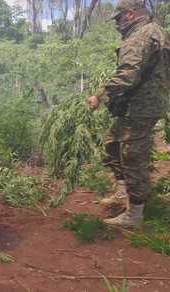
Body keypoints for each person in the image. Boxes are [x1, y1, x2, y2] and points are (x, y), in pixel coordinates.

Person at [87, 0, 170, 226]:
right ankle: (124, 190)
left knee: (133, 155)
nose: (117, 24)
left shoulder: (142, 35)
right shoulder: (151, 31)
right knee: (112, 143)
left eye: (119, 18)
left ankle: (135, 213)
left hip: (142, 107)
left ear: (131, 14)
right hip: (139, 105)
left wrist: (100, 95)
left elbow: (127, 74)